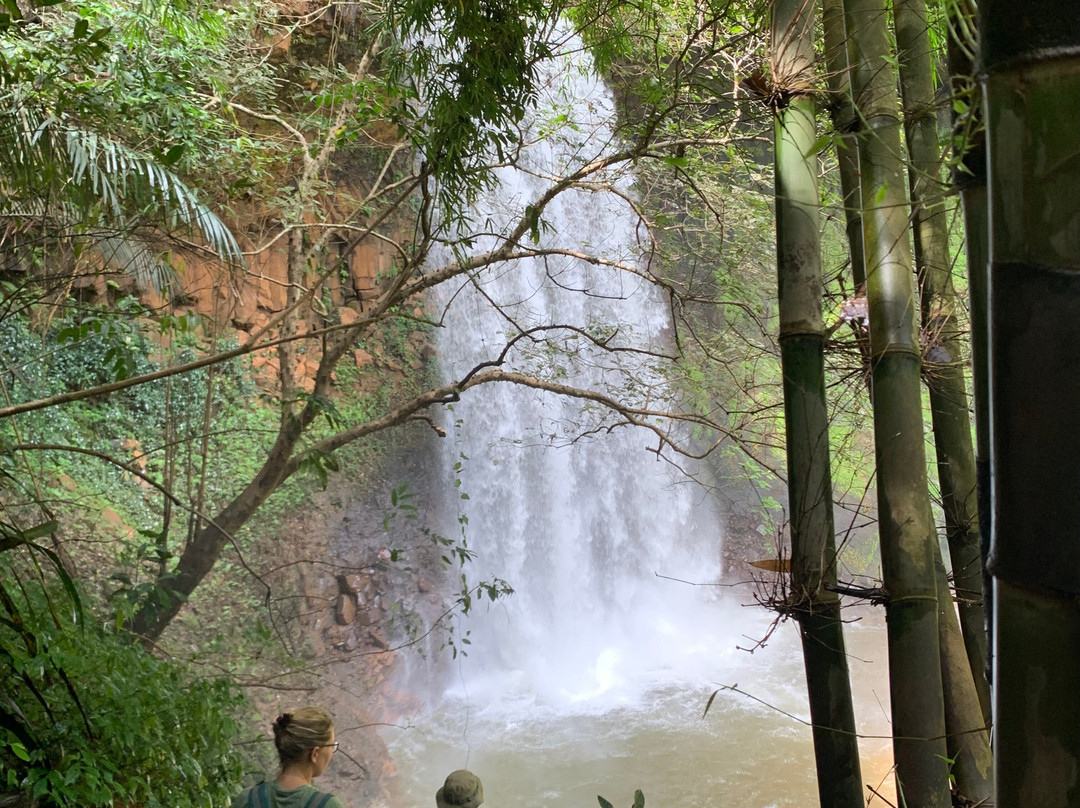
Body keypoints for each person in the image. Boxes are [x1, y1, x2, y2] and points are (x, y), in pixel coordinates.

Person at [234, 707, 344, 808]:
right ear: (315, 753)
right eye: (331, 745)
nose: (331, 752)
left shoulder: (248, 799)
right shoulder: (327, 805)